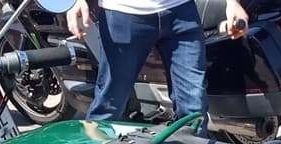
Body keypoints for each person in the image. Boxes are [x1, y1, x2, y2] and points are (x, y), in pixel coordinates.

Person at [66, 0, 247, 122]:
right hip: (123, 14)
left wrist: (232, 3)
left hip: (181, 12)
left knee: (194, 106)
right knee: (110, 103)